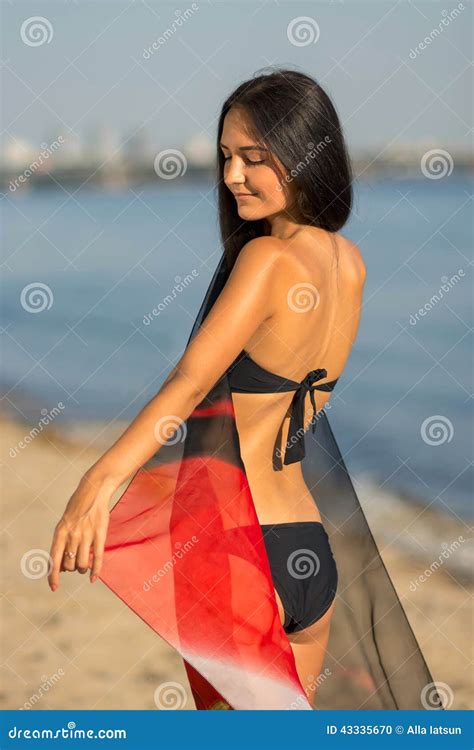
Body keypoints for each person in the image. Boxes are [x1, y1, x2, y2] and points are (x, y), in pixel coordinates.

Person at [47, 68, 441, 711]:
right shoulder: (349, 263)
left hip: (241, 553)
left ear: (305, 154)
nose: (232, 176)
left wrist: (97, 484)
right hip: (309, 557)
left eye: (254, 159)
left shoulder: (266, 261)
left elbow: (188, 384)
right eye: (228, 157)